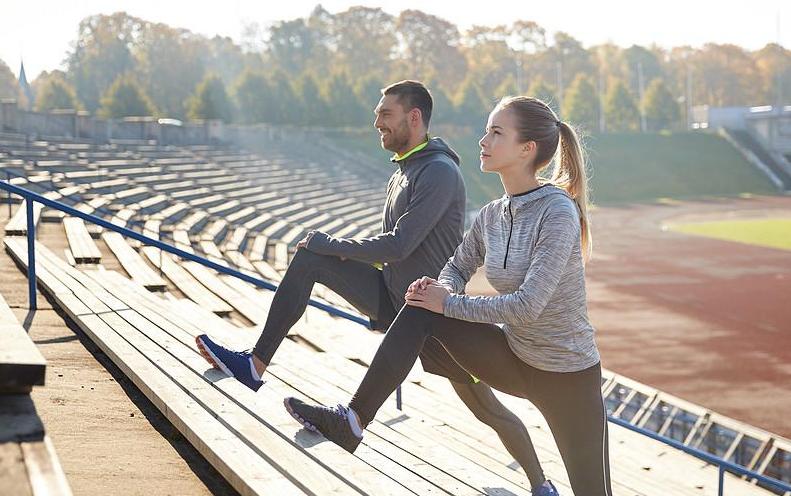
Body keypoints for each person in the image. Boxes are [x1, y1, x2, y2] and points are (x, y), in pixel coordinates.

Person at [196, 81, 556, 494]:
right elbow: (392, 249)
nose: (377, 122)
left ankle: (541, 484)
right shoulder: (406, 168)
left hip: (432, 315)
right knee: (311, 259)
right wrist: (338, 255)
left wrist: (334, 244)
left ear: (414, 118)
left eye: (386, 114)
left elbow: (401, 245)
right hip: (393, 295)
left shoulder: (438, 171)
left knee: (485, 408)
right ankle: (254, 365)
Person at [285, 96, 612, 495]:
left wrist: (449, 303)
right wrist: (440, 289)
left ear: (527, 149)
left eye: (496, 133)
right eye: (486, 130)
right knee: (422, 307)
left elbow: (528, 307)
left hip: (567, 378)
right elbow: (458, 265)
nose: (483, 140)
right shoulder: (494, 213)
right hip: (515, 357)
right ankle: (353, 420)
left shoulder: (556, 212)